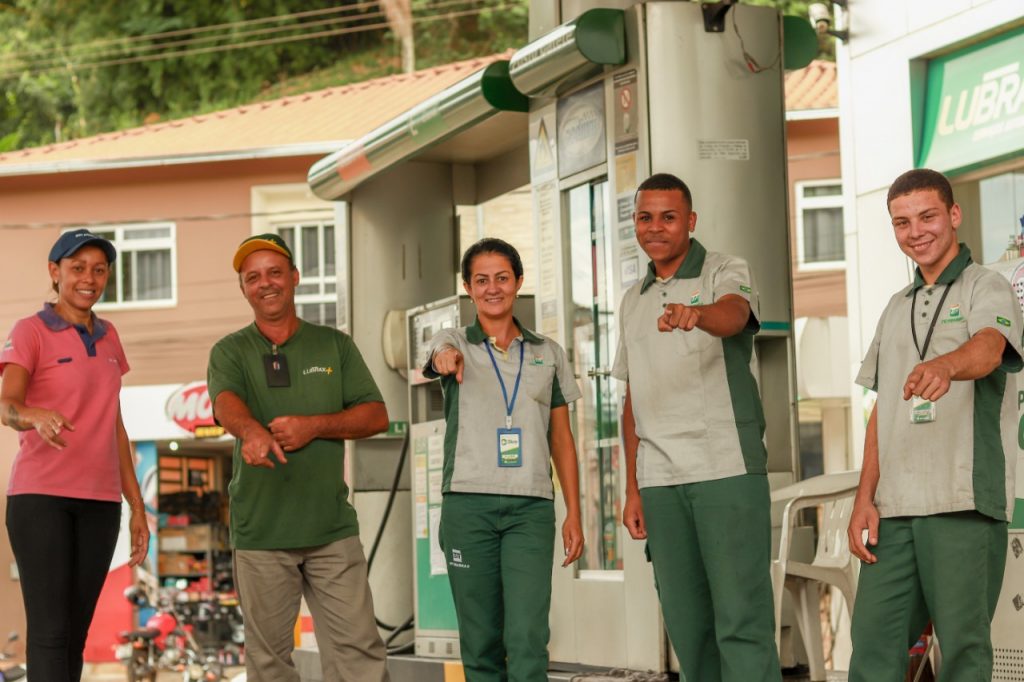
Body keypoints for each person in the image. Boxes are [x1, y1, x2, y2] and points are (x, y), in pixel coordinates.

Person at [847, 168, 1023, 681]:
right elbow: (883, 410)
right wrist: (864, 498)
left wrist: (946, 364)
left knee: (962, 651)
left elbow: (990, 349)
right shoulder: (894, 307)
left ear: (954, 214)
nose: (915, 232)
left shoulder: (986, 286)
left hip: (963, 499)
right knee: (873, 645)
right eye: (901, 222)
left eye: (927, 217)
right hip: (894, 509)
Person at [613, 173, 781, 682]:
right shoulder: (633, 299)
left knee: (741, 620)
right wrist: (633, 488)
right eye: (645, 217)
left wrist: (696, 314)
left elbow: (734, 314)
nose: (655, 227)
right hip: (660, 481)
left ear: (690, 221)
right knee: (687, 626)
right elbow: (633, 399)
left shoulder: (724, 269)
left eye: (668, 217)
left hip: (724, 469)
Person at [207, 233, 391, 681]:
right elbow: (225, 402)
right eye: (253, 277)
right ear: (243, 288)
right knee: (269, 664)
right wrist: (251, 431)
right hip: (262, 532)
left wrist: (314, 426)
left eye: (274, 272)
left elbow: (376, 415)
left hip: (331, 529)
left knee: (359, 655)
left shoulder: (333, 346)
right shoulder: (230, 350)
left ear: (294, 277)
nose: (265, 283)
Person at [425, 238, 584, 682]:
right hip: (468, 506)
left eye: (502, 278)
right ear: (467, 288)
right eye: (481, 280)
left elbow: (562, 439)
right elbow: (438, 353)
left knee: (528, 636)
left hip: (530, 509)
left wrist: (573, 512)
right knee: (480, 642)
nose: (492, 288)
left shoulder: (547, 352)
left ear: (518, 282)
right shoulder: (455, 341)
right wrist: (446, 358)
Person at [0, 229, 148, 681]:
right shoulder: (30, 331)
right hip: (40, 499)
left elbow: (114, 426)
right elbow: (7, 405)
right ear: (55, 272)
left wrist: (137, 507)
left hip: (100, 503)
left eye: (99, 270)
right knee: (50, 633)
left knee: (75, 635)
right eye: (78, 268)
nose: (89, 278)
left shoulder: (110, 336)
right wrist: (33, 414)